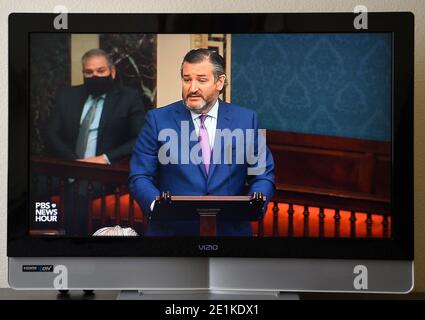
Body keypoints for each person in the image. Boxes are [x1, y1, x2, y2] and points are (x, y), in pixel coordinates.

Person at [129, 48, 275, 236]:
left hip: (230, 232)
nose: (192, 88)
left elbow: (263, 174)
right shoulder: (157, 120)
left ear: (219, 82)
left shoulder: (247, 120)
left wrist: (253, 206)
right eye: (187, 79)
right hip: (172, 233)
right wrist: (158, 207)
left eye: (201, 80)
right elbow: (139, 176)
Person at [41, 48, 146, 236]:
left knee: (79, 193)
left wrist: (104, 158)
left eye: (100, 71)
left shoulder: (129, 98)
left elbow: (139, 138)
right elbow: (50, 133)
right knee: (34, 187)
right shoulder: (68, 95)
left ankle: (74, 249)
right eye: (89, 72)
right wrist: (73, 163)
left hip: (102, 172)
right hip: (66, 166)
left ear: (112, 72)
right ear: (83, 73)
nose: (94, 76)